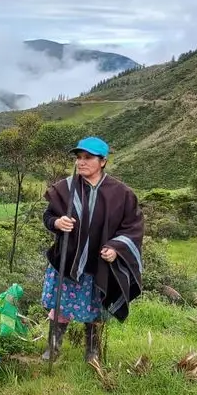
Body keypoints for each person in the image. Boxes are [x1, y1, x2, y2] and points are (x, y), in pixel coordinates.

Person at [40, 136, 144, 365]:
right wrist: (57, 223)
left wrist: (116, 248)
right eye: (79, 158)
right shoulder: (65, 188)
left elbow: (133, 228)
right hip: (67, 259)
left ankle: (92, 352)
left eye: (88, 158)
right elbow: (48, 217)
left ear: (103, 161)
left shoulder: (121, 194)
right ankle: (53, 347)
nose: (81, 162)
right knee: (61, 307)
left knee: (94, 309)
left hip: (98, 264)